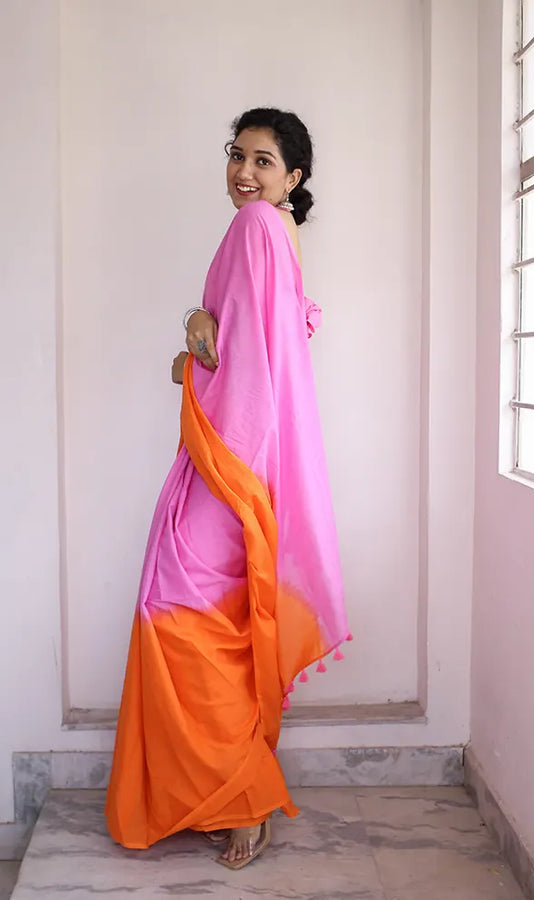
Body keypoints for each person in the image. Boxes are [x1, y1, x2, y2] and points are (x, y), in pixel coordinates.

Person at [105, 107, 349, 870]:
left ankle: (240, 798)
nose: (244, 172)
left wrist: (192, 366)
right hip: (242, 456)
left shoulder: (255, 230)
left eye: (264, 161)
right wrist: (197, 320)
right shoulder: (278, 233)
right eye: (237, 155)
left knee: (184, 623)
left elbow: (245, 362)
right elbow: (267, 334)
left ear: (293, 178)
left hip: (230, 457)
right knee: (211, 628)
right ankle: (223, 791)